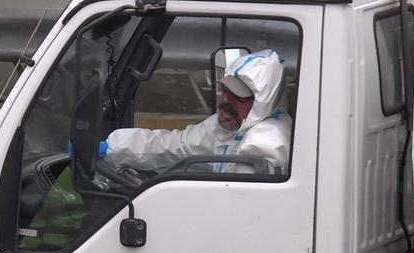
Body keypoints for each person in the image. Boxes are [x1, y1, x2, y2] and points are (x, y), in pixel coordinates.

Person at [103, 49, 292, 175]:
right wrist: (112, 149)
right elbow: (176, 146)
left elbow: (236, 205)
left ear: (261, 104)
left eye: (238, 96)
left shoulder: (265, 144)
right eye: (225, 90)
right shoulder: (227, 127)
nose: (225, 100)